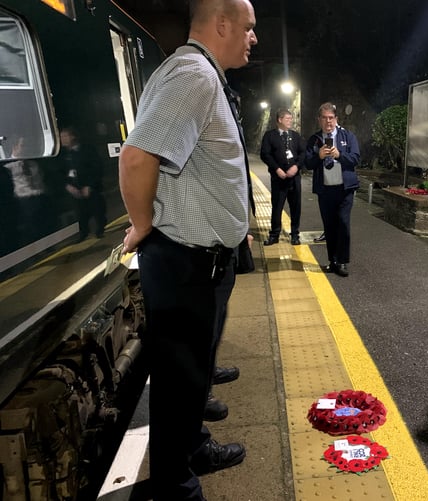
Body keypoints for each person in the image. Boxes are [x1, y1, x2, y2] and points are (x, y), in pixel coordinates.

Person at [118, 1, 258, 499]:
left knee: (193, 371)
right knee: (178, 382)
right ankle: (174, 486)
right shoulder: (193, 75)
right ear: (221, 24)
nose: (253, 38)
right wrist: (143, 223)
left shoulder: (201, 74)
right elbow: (137, 158)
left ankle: (192, 446)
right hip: (183, 261)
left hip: (203, 259)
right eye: (247, 27)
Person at [304, 102, 360, 277]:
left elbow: (355, 159)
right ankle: (332, 260)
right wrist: (318, 156)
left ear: (336, 119)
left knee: (343, 224)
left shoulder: (347, 136)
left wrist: (339, 155)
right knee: (329, 226)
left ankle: (342, 261)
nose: (328, 121)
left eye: (331, 118)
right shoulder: (314, 139)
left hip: (344, 189)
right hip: (325, 189)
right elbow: (307, 163)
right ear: (319, 120)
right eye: (324, 118)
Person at [260, 108, 305, 246]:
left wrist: (296, 166)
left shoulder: (295, 136)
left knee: (295, 207)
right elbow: (265, 154)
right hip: (278, 178)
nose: (290, 121)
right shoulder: (270, 136)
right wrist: (276, 169)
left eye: (291, 119)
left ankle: (295, 234)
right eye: (287, 119)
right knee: (277, 206)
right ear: (279, 120)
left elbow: (303, 153)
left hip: (294, 179)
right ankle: (274, 234)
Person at [60, 127, 107, 241]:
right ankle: (83, 232)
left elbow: (97, 168)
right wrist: (68, 186)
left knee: (97, 209)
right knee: (80, 212)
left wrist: (90, 186)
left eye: (65, 136)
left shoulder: (88, 150)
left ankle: (100, 229)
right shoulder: (63, 155)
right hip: (75, 188)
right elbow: (60, 173)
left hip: (91, 187)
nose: (62, 140)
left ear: (73, 137)